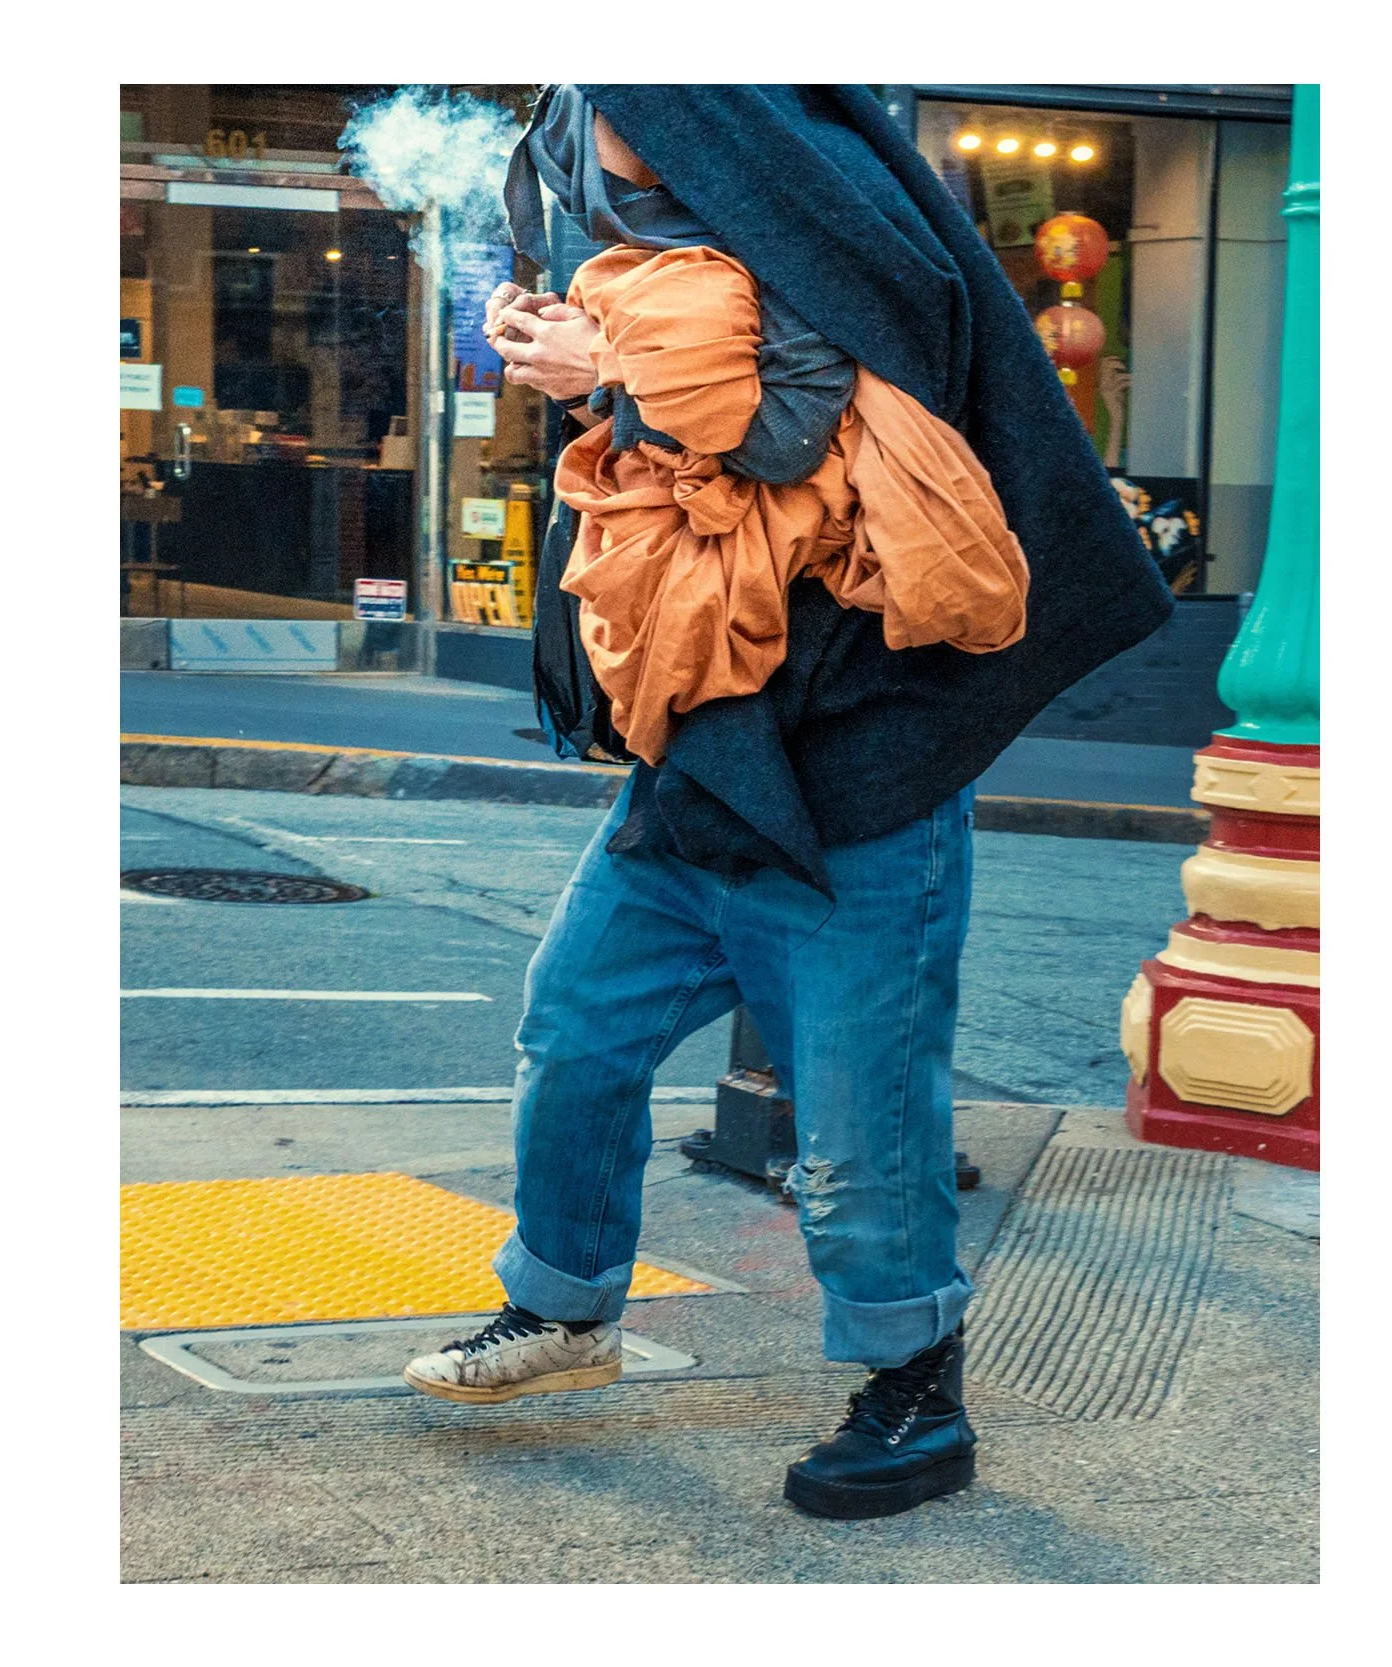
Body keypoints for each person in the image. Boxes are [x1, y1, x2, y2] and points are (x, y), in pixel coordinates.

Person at [399, 86, 1175, 1522]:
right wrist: (596, 370)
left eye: (609, 119)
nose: (587, 151)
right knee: (575, 1028)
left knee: (861, 1123)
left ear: (705, 127)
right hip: (701, 768)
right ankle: (564, 1307)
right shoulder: (654, 265)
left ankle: (914, 1400)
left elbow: (800, 418)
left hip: (859, 779)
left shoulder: (815, 237)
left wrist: (611, 372)